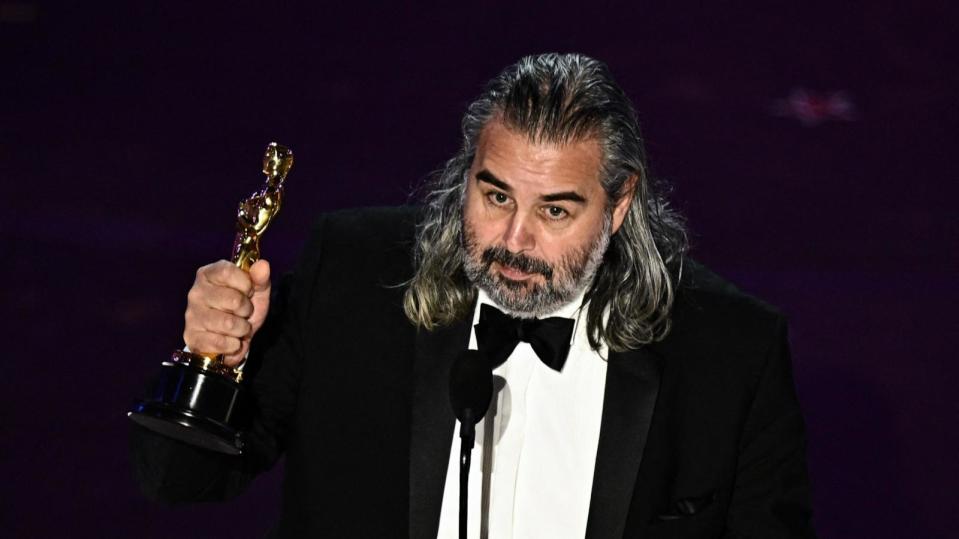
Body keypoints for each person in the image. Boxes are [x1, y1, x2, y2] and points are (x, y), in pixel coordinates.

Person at [131, 53, 816, 538]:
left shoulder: (728, 351)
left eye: (555, 210)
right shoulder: (354, 275)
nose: (512, 240)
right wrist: (208, 358)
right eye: (494, 196)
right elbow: (179, 480)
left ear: (616, 204)